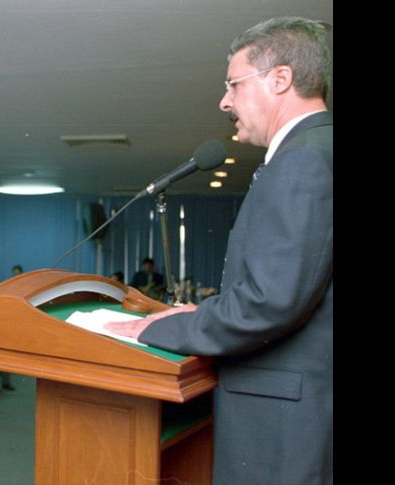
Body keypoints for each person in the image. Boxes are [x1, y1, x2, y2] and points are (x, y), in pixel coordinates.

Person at [105, 17, 332, 485]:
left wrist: (165, 327)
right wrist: (211, 310)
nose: (224, 101)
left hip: (282, 418)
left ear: (280, 79)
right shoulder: (317, 150)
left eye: (233, 84)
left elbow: (270, 303)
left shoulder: (303, 161)